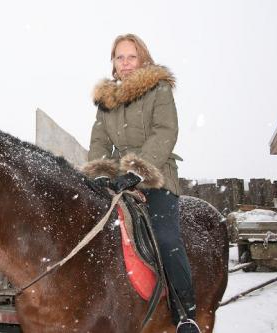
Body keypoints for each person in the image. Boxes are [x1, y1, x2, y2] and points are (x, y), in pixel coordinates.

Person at [85, 34, 200, 333]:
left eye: (131, 57)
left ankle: (185, 313)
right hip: (119, 180)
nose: (125, 64)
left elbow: (165, 132)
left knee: (166, 239)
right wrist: (100, 171)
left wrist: (139, 170)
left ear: (143, 59)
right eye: (119, 58)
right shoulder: (106, 101)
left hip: (157, 174)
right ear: (113, 63)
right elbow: (99, 140)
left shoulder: (158, 90)